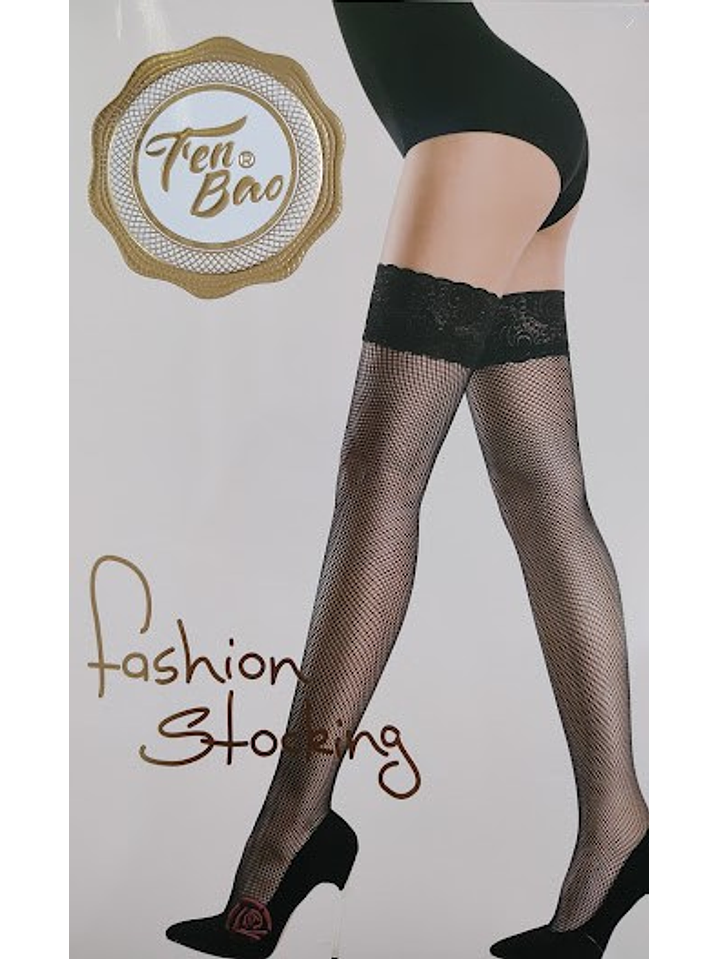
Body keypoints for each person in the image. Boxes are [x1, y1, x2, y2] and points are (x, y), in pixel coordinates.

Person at [166, 3, 649, 957]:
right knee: (542, 493)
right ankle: (617, 828)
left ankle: (289, 830)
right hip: (508, 122)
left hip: (477, 122)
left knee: (378, 473)